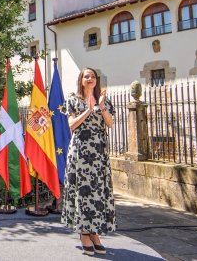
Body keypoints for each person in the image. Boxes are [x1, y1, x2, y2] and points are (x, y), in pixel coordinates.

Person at [61, 67, 116, 256]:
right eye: (86, 76)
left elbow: (109, 123)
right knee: (82, 192)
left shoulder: (105, 101)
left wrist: (100, 107)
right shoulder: (73, 100)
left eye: (92, 76)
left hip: (99, 153)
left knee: (97, 192)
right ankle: (83, 232)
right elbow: (72, 125)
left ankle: (94, 232)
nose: (90, 78)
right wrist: (89, 110)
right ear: (81, 80)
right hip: (80, 153)